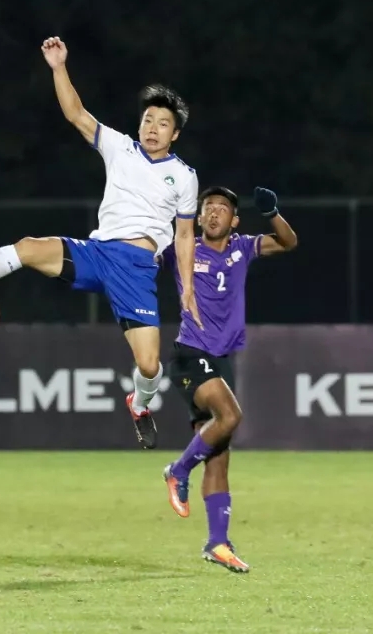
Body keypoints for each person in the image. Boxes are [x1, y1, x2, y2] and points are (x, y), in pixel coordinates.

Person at [0, 37, 201, 449]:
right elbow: (75, 113)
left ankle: (139, 405)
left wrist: (187, 288)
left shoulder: (185, 177)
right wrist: (58, 67)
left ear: (174, 134)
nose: (152, 128)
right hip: (98, 253)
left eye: (162, 123)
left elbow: (185, 235)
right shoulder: (120, 147)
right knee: (29, 247)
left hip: (137, 271)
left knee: (149, 366)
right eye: (148, 119)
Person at [160, 186, 298, 573]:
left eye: (222, 208)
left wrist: (272, 213)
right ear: (198, 216)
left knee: (219, 459)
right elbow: (142, 254)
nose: (214, 213)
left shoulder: (243, 247)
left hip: (221, 361)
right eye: (208, 207)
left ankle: (217, 542)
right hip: (190, 354)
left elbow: (288, 242)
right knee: (231, 416)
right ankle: (177, 470)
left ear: (234, 220)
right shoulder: (182, 249)